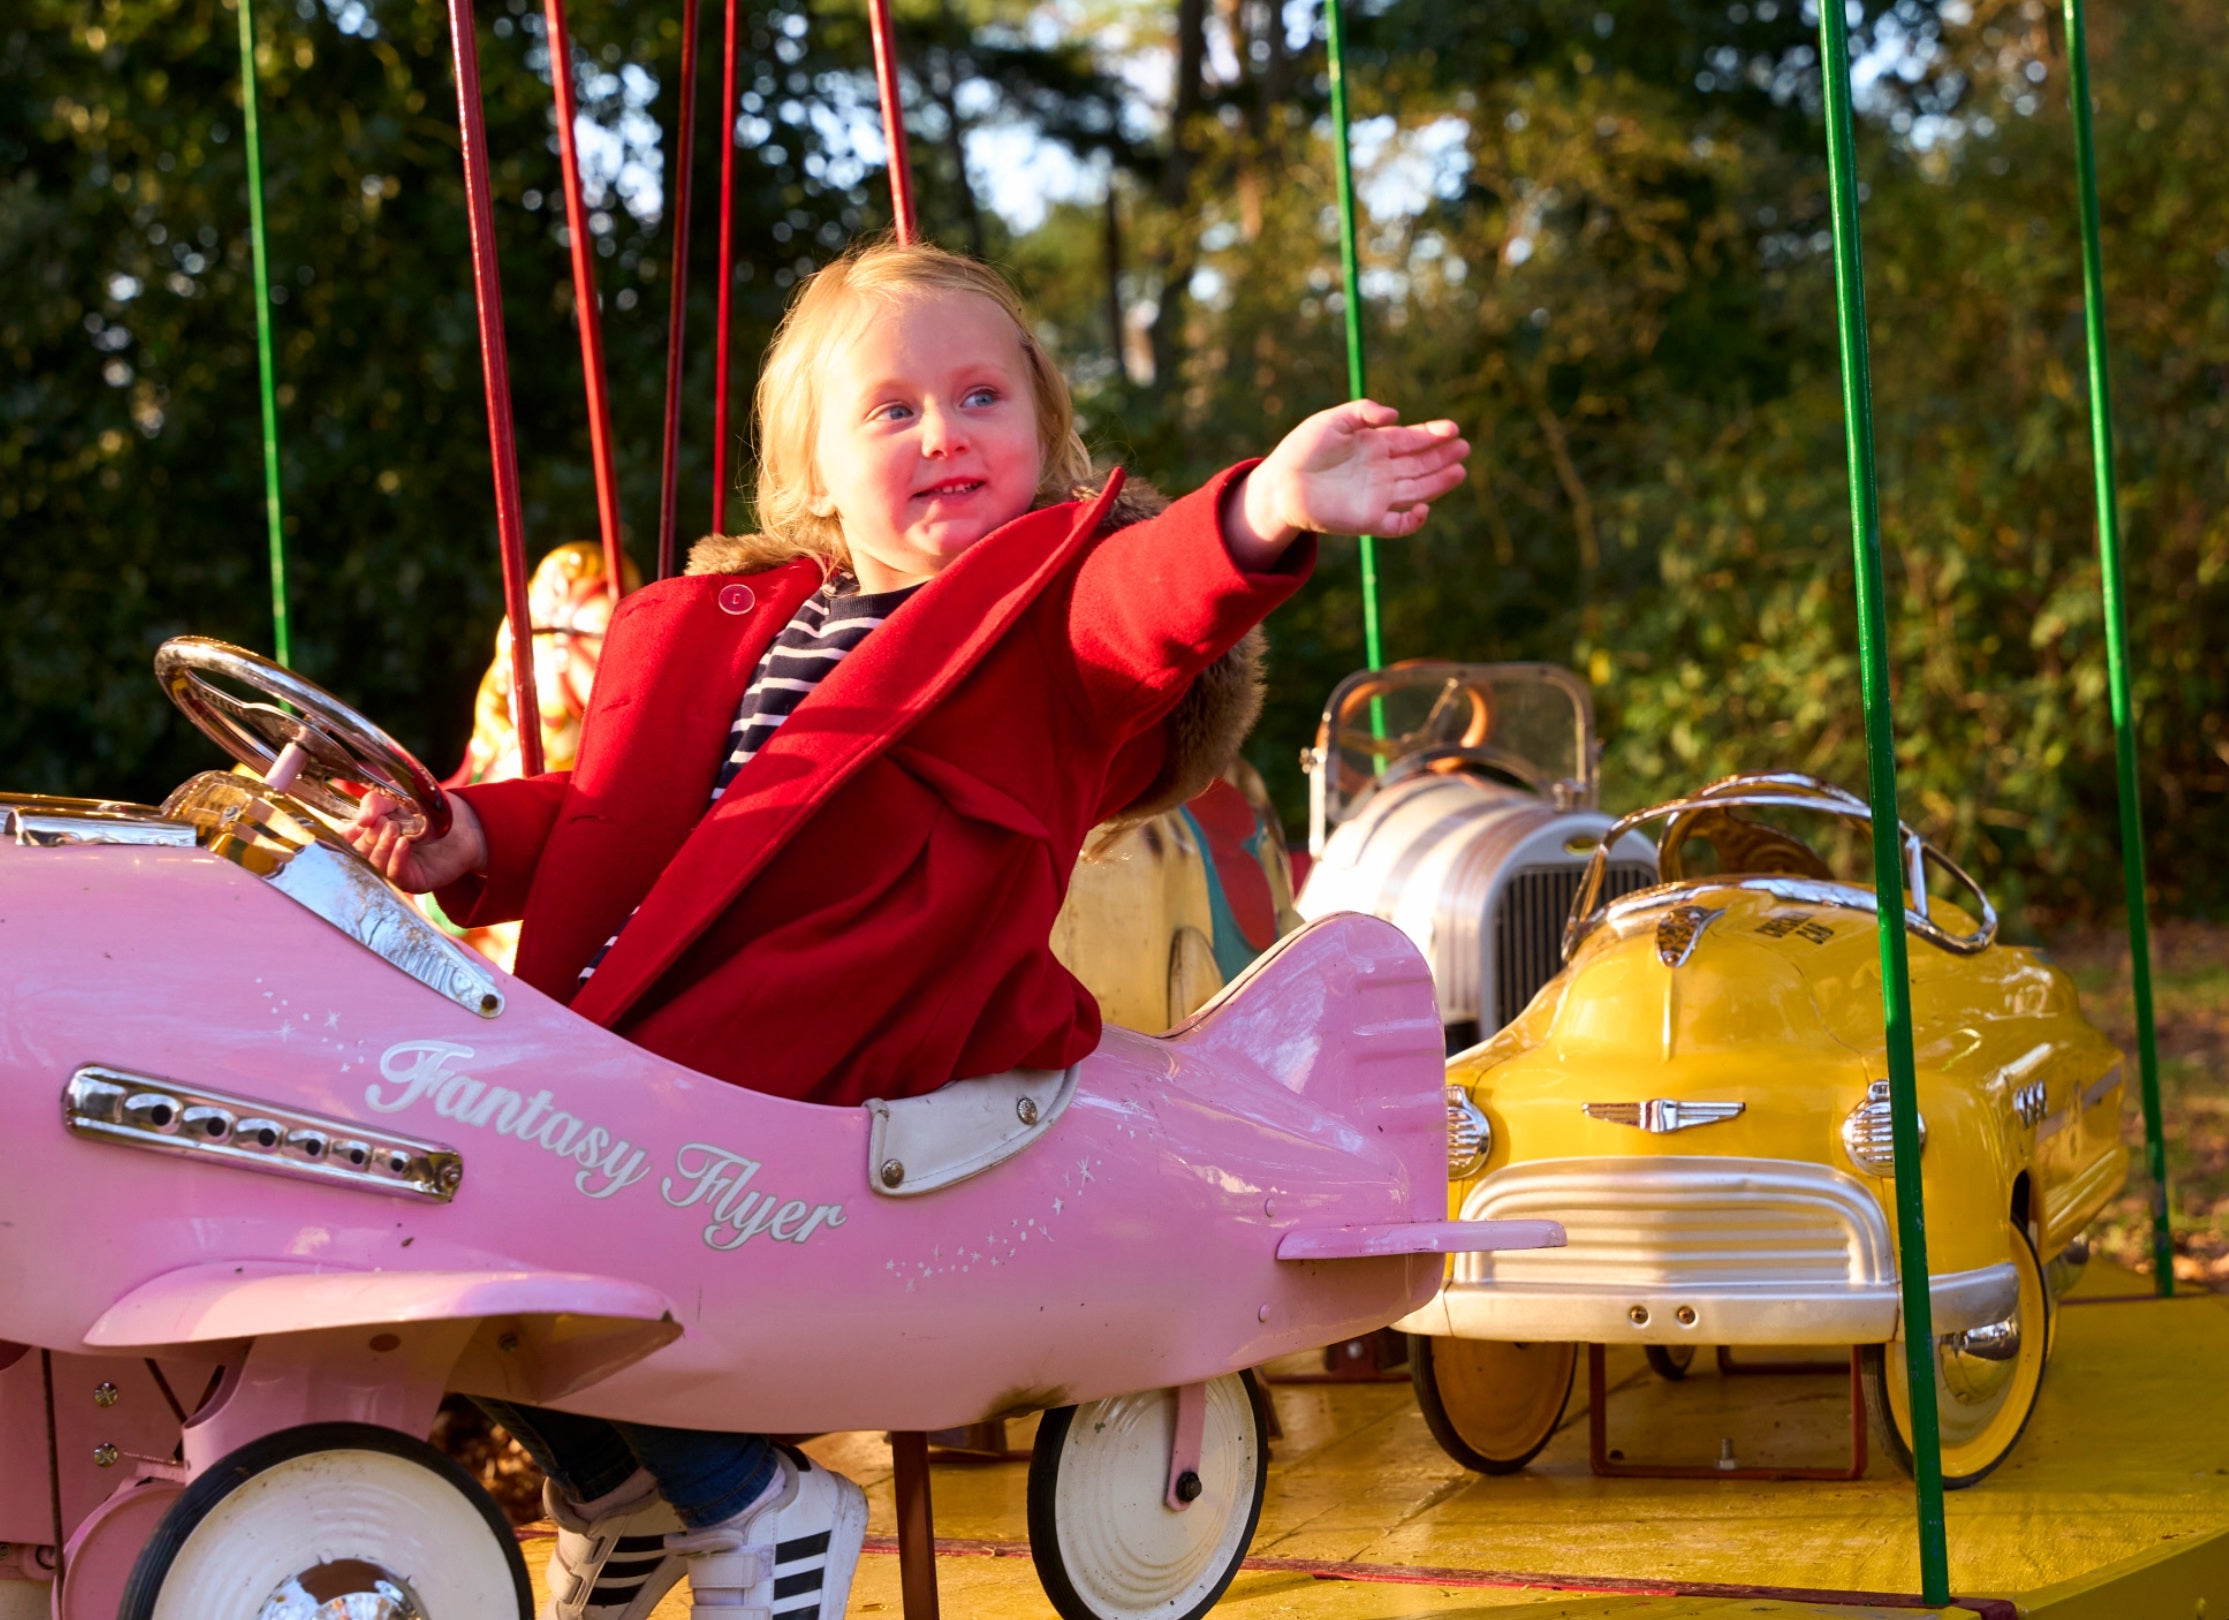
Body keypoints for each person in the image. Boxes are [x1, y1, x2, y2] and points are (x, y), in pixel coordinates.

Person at [350, 239, 1469, 1620]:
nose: (944, 432)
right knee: (414, 1171)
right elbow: (605, 813)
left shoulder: (1040, 626)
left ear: (1048, 439)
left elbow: (1147, 603)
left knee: (576, 1192)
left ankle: (755, 1509)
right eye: (892, 409)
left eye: (982, 398)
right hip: (665, 1040)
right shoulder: (721, 632)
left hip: (857, 1036)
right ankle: (617, 1496)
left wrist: (1265, 510)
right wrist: (466, 835)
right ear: (815, 471)